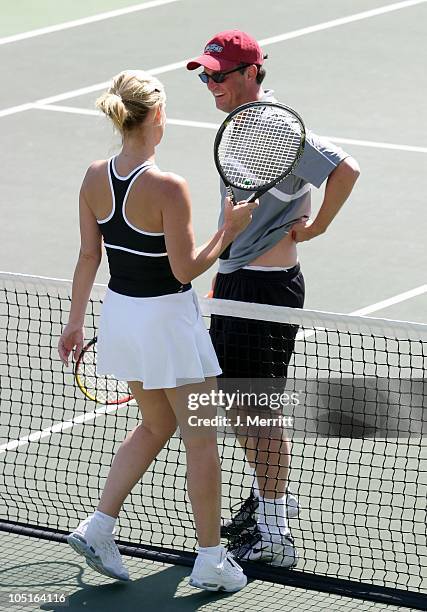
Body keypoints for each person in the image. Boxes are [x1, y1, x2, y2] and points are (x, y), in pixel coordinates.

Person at [58, 69, 258, 592]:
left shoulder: (91, 176)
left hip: (122, 317)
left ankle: (99, 526)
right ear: (158, 118)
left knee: (154, 426)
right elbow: (186, 270)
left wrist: (75, 322)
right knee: (201, 441)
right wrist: (228, 230)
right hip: (168, 324)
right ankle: (212, 560)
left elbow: (86, 256)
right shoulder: (169, 187)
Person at [187, 30, 360, 567]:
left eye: (218, 74)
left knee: (254, 412)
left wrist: (316, 229)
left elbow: (345, 170)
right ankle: (266, 505)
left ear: (250, 73)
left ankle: (275, 532)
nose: (209, 84)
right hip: (244, 283)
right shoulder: (244, 123)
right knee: (243, 407)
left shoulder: (269, 123)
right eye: (204, 75)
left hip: (263, 290)